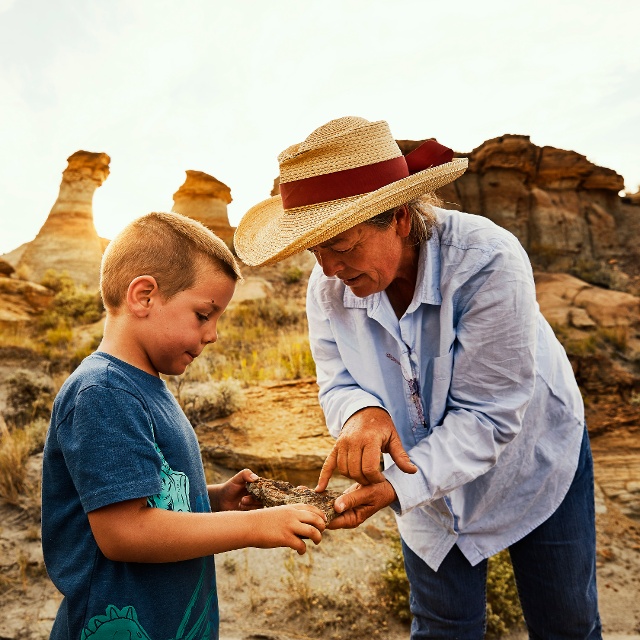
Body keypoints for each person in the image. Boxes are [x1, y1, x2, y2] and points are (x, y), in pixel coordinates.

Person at [234, 117, 602, 638]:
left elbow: (489, 416)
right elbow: (337, 381)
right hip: (420, 489)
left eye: (341, 245)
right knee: (443, 626)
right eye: (314, 250)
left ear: (400, 218)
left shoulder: (487, 261)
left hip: (533, 463)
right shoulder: (326, 287)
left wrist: (394, 486)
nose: (330, 268)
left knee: (565, 622)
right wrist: (363, 414)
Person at [41, 211, 327, 640]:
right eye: (202, 315)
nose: (213, 335)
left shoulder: (145, 385)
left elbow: (148, 497)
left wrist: (211, 499)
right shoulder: (102, 391)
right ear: (144, 296)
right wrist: (254, 527)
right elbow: (124, 531)